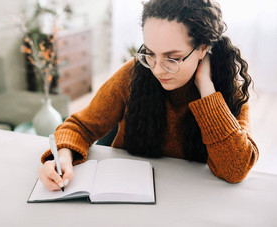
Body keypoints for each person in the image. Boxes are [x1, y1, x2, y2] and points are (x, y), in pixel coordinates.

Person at [39, 0, 259, 191]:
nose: (157, 69)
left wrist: (206, 89)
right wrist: (63, 156)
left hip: (190, 205)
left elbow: (236, 169)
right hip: (126, 193)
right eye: (150, 54)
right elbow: (81, 126)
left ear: (202, 48)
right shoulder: (134, 74)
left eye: (172, 58)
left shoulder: (230, 91)